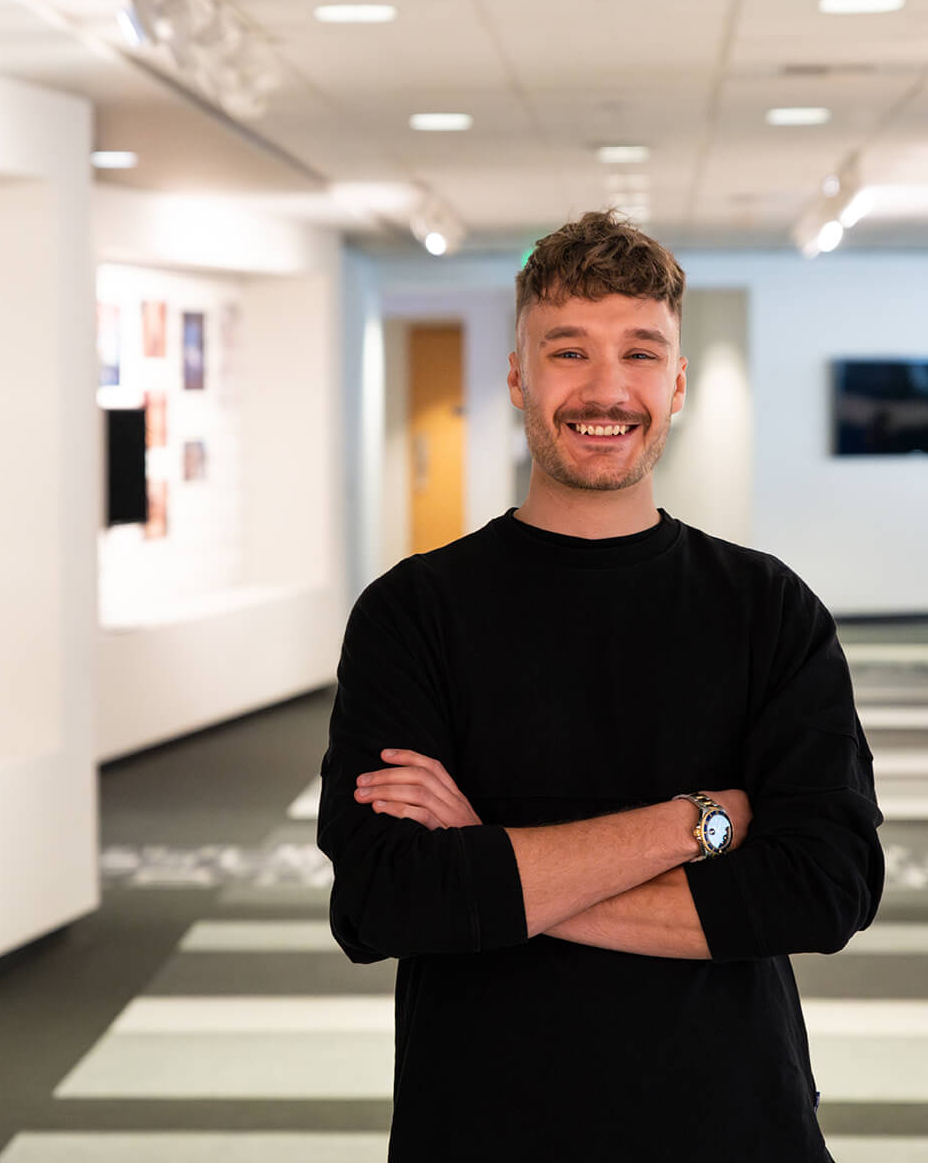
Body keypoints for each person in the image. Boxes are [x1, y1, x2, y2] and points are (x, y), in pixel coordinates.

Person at [317, 211, 885, 1162]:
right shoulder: (412, 612)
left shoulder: (768, 609)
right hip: (482, 1122)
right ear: (518, 378)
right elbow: (382, 903)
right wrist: (699, 823)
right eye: (568, 350)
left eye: (640, 352)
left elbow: (826, 889)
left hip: (734, 1121)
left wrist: (487, 862)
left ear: (677, 383)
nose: (606, 389)